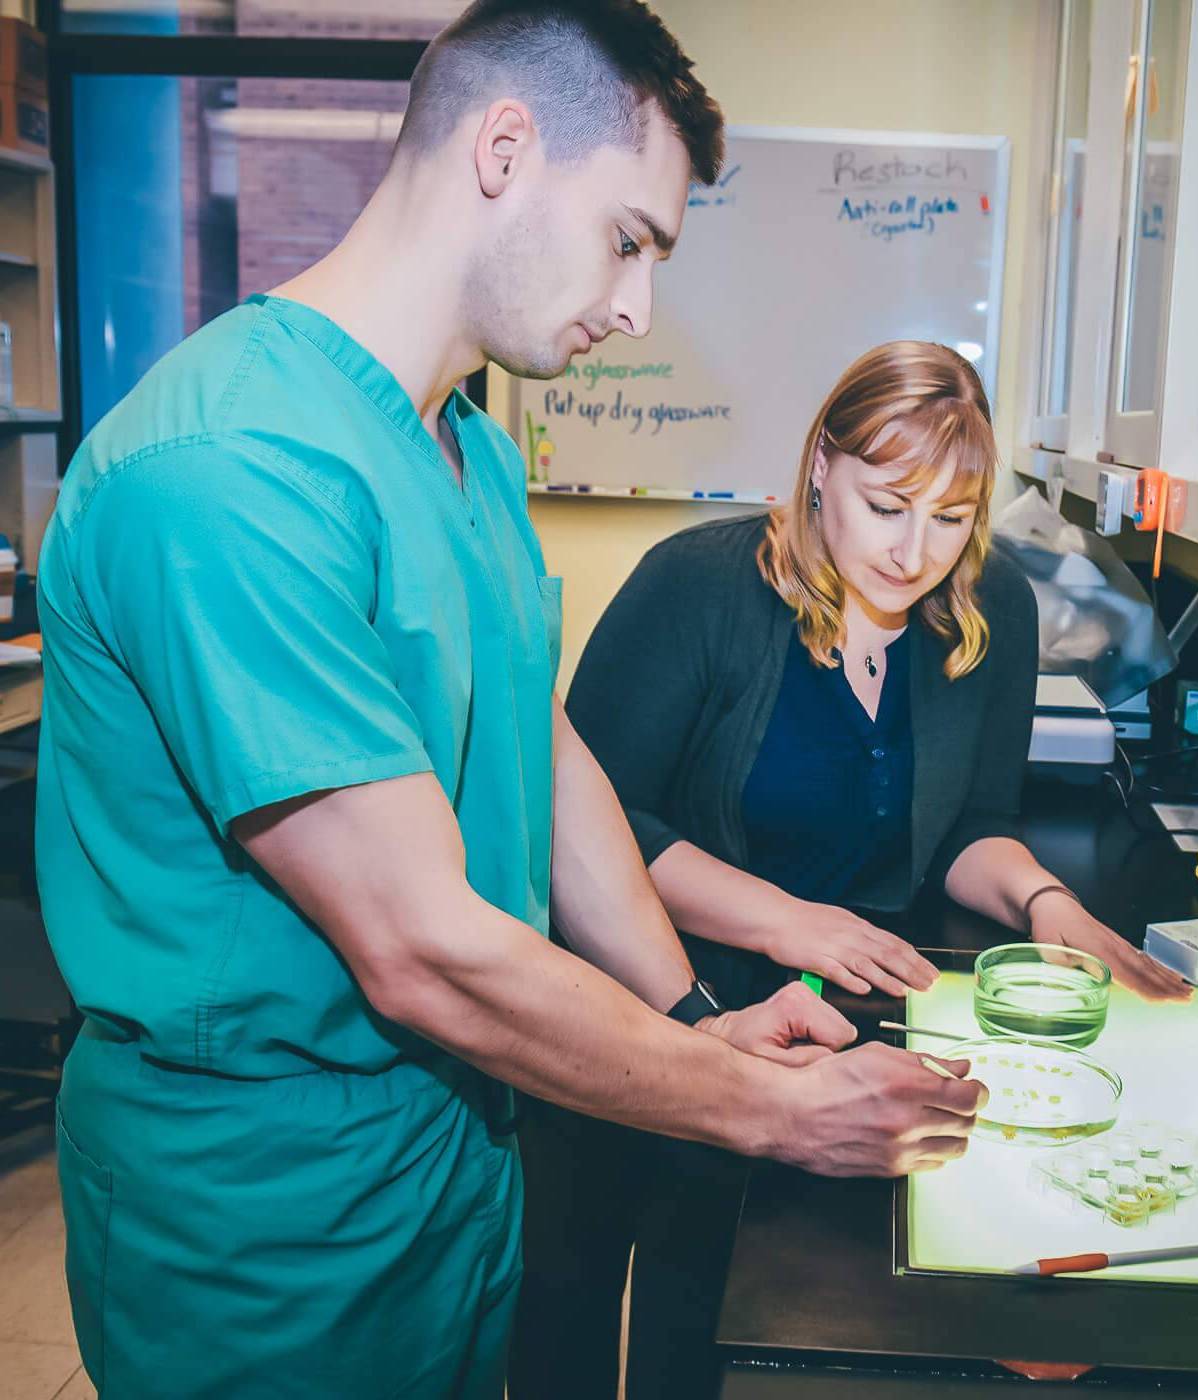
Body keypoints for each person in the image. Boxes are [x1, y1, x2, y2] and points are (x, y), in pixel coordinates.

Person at [34, 11, 987, 1399]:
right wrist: (768, 1110)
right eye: (631, 239)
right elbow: (421, 946)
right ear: (503, 149)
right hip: (269, 1211)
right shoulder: (231, 470)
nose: (638, 307)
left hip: (458, 1153)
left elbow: (540, 765)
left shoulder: (468, 452)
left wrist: (686, 1013)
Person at [512, 340, 1192, 1400]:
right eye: (886, 505)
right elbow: (587, 820)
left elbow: (971, 823)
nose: (914, 550)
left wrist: (1043, 902)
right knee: (572, 1287)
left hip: (835, 1008)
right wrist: (783, 918)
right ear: (819, 465)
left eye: (950, 517)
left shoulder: (991, 609)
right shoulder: (696, 584)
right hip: (640, 987)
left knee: (717, 1317)